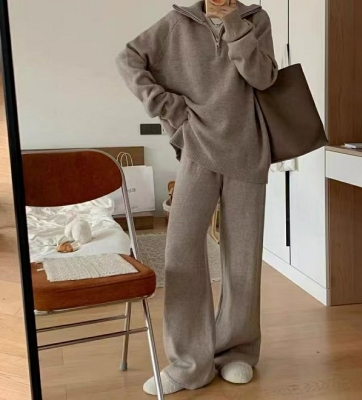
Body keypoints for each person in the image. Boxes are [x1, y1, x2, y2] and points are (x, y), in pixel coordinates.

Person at [116, 0, 278, 395]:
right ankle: (189, 363)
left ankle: (237, 351)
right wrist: (167, 106)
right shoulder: (177, 22)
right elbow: (128, 59)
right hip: (197, 149)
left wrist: (234, 23)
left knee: (242, 258)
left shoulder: (255, 19)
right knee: (181, 252)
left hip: (248, 150)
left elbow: (263, 78)